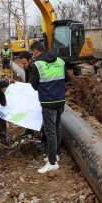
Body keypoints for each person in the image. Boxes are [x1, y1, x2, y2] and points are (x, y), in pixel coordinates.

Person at [29, 41, 70, 174]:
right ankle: (55, 154)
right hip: (60, 100)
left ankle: (52, 162)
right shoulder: (60, 61)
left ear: (36, 52)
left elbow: (34, 86)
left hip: (48, 102)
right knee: (57, 128)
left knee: (50, 131)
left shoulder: (37, 65)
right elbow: (67, 79)